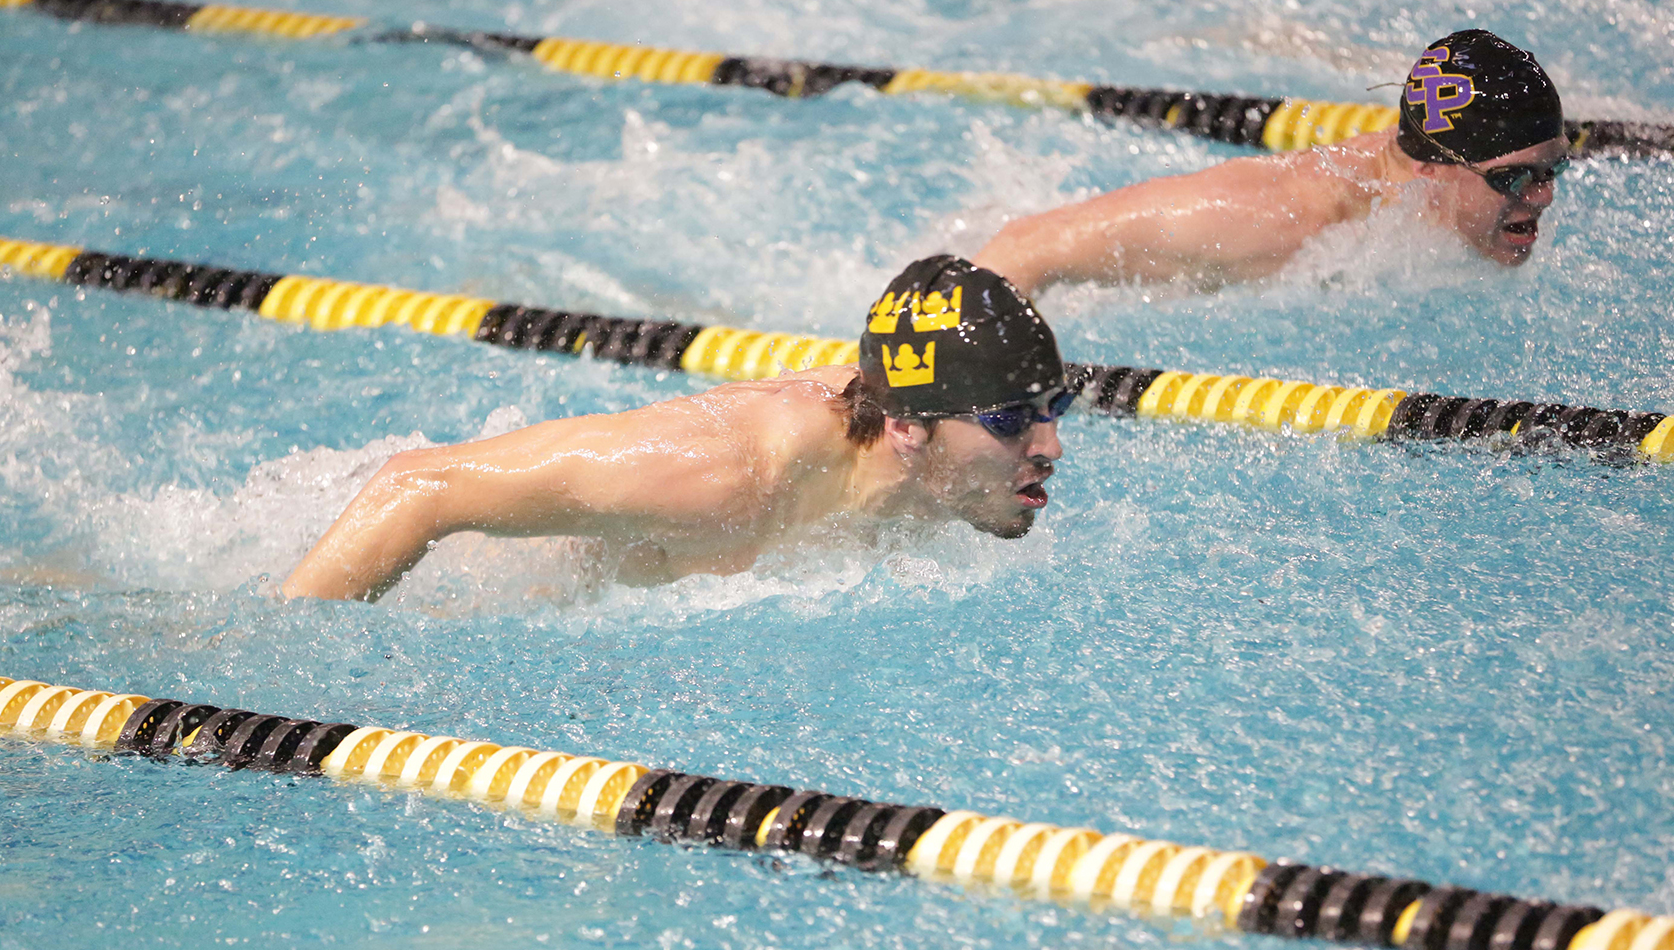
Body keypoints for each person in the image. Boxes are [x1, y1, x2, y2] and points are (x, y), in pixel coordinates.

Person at [281, 256, 1072, 602]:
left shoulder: (936, 465)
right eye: (1009, 420)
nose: (1049, 448)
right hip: (473, 587)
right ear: (905, 426)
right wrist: (285, 667)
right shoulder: (722, 476)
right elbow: (417, 486)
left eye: (1054, 407)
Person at [972, 29, 1570, 296]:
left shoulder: (1427, 190)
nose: (1542, 196)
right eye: (1514, 178)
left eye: (1553, 170)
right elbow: (1026, 245)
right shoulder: (1284, 220)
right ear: (1430, 169)